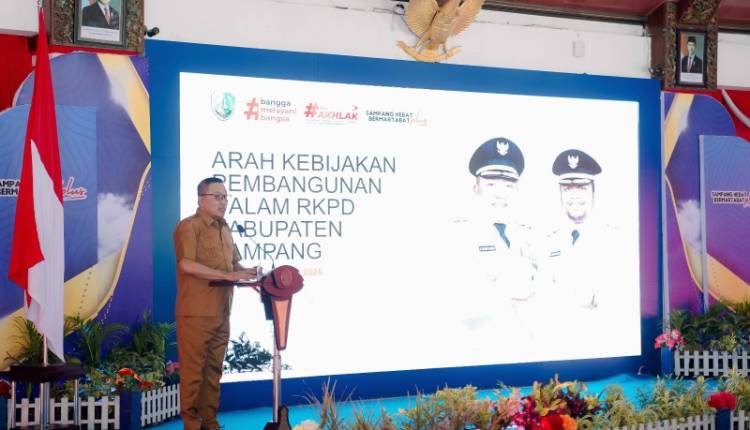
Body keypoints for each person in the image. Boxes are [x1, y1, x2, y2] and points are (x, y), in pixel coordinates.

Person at [173, 177, 257, 430]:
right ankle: (191, 423)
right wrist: (226, 276)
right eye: (217, 197)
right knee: (193, 372)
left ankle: (210, 421)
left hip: (222, 312)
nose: (223, 202)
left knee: (213, 371)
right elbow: (186, 264)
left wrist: (249, 273)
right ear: (201, 199)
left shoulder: (225, 228)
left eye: (225, 197)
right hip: (196, 313)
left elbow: (233, 265)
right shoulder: (189, 227)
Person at [447, 137, 538, 353]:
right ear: (476, 187)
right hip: (477, 350)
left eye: (508, 185)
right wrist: (511, 289)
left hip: (527, 350)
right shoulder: (456, 235)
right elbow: (456, 304)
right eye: (491, 185)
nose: (500, 193)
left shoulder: (529, 234)